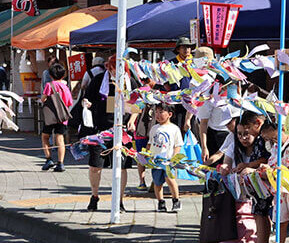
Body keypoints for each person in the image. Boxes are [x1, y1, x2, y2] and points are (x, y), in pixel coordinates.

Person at [82, 55, 136, 212]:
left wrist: (132, 119)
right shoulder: (99, 80)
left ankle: (119, 200)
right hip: (101, 129)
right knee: (95, 166)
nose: (115, 72)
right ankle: (94, 196)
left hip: (122, 129)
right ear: (108, 67)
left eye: (119, 69)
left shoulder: (130, 82)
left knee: (122, 166)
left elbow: (136, 105)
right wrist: (87, 103)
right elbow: (87, 99)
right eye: (113, 69)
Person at [221, 112, 270, 243]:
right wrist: (225, 168)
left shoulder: (262, 141)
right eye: (239, 134)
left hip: (263, 186)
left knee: (261, 213)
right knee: (258, 212)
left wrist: (248, 166)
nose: (243, 138)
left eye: (246, 133)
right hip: (245, 191)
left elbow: (266, 159)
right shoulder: (235, 144)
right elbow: (226, 161)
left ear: (257, 124)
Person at [147, 102, 183, 212]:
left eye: (161, 112)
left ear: (170, 114)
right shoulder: (154, 128)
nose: (157, 115)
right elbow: (150, 143)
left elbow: (178, 145)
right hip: (156, 161)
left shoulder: (174, 128)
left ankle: (176, 200)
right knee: (157, 183)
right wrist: (147, 155)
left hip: (168, 161)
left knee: (170, 180)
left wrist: (174, 157)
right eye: (156, 112)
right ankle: (160, 202)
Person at [198, 77, 242, 163]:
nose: (231, 88)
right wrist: (204, 147)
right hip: (216, 134)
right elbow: (203, 123)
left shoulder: (235, 92)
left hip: (236, 132)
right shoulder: (209, 96)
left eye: (234, 85)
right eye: (228, 86)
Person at [40, 62, 73, 172]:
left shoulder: (50, 85)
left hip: (51, 116)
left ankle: (49, 159)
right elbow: (69, 102)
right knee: (60, 139)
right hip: (62, 117)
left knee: (45, 136)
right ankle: (61, 163)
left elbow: (43, 99)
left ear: (50, 75)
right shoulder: (65, 87)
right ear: (63, 75)